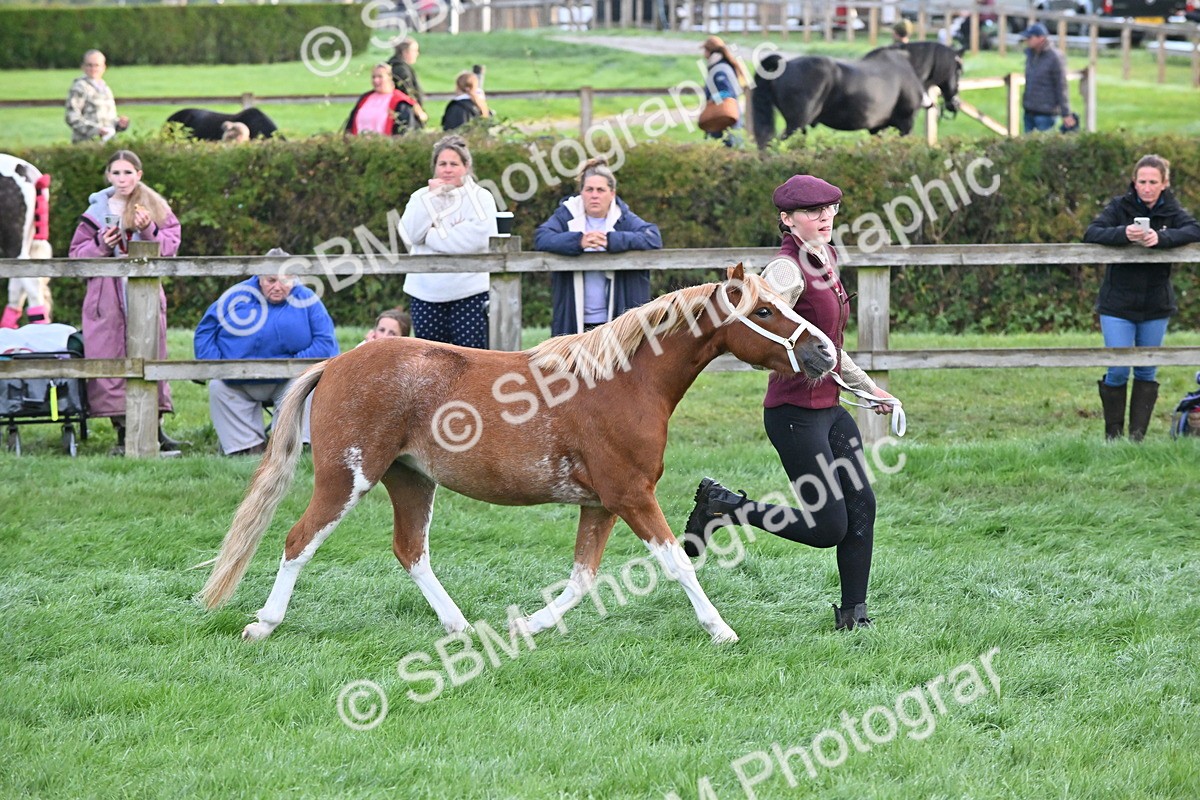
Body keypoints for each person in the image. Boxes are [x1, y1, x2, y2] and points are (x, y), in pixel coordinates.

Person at [682, 175, 899, 632]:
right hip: (793, 414)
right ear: (787, 219)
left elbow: (827, 346)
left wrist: (868, 390)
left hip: (830, 409)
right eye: (811, 211)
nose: (824, 217)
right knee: (827, 528)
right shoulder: (785, 272)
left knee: (863, 505)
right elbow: (763, 333)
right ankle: (725, 506)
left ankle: (853, 618)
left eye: (831, 208)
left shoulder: (826, 257)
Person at [68, 149, 181, 455]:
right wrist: (101, 245)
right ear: (108, 176)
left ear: (139, 175)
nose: (122, 179)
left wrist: (146, 229)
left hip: (143, 294)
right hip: (106, 299)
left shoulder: (155, 206)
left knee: (150, 356)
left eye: (128, 172)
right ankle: (122, 432)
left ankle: (155, 430)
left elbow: (169, 248)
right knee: (111, 359)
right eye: (116, 173)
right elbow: (76, 257)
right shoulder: (94, 214)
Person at [1084, 154, 1200, 442]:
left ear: (1164, 184)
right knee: (1119, 367)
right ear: (1134, 183)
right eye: (1142, 182)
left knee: (1147, 369)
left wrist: (1163, 239)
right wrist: (1124, 233)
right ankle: (1113, 439)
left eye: (1153, 182)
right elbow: (1091, 233)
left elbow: (1194, 230)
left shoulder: (1172, 210)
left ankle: (1136, 441)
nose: (1147, 188)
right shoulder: (1119, 207)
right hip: (1117, 303)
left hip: (1155, 304)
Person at [193, 250, 339, 456]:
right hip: (238, 381)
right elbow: (205, 331)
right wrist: (219, 366)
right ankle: (247, 448)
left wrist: (291, 365)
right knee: (219, 387)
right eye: (271, 280)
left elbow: (325, 343)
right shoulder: (236, 296)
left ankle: (286, 446)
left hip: (289, 381)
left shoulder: (308, 300)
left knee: (310, 383)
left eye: (285, 281)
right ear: (259, 278)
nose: (278, 286)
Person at [533, 159, 662, 336]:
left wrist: (611, 241)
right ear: (581, 193)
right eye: (589, 190)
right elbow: (542, 237)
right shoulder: (567, 213)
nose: (594, 195)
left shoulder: (623, 217)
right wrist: (578, 241)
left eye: (600, 190)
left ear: (612, 194)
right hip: (573, 316)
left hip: (617, 316)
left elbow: (652, 237)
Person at [400, 135, 498, 349]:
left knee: (470, 362)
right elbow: (413, 234)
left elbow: (477, 240)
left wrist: (432, 235)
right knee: (430, 366)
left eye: (454, 164)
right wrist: (433, 198)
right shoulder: (420, 198)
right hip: (425, 294)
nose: (447, 169)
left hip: (470, 293)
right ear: (434, 167)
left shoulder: (481, 198)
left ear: (466, 166)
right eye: (442, 164)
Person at [1019, 23, 1075, 134]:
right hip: (1029, 111)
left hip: (1046, 114)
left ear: (1041, 38)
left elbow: (1061, 85)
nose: (1027, 40)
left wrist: (1066, 113)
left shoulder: (1055, 57)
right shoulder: (1031, 55)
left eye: (1030, 37)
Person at [65, 50, 129, 144]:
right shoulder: (79, 87)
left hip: (107, 142)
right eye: (89, 65)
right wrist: (96, 131)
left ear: (104, 68)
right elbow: (72, 117)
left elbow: (107, 119)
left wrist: (119, 124)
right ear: (83, 67)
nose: (93, 68)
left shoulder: (106, 89)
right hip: (86, 143)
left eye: (97, 65)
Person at [700, 35, 749, 148]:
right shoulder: (725, 66)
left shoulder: (719, 70)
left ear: (709, 51)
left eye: (704, 50)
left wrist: (713, 101)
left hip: (722, 121)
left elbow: (726, 93)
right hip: (726, 120)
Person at [345, 64, 417, 136]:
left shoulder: (400, 102)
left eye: (380, 77)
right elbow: (350, 126)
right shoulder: (365, 98)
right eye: (373, 77)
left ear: (389, 78)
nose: (376, 80)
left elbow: (404, 130)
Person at [388, 37, 429, 128]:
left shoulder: (394, 66)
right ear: (405, 52)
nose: (417, 54)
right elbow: (407, 94)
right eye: (414, 51)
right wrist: (420, 113)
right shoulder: (401, 70)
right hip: (405, 115)